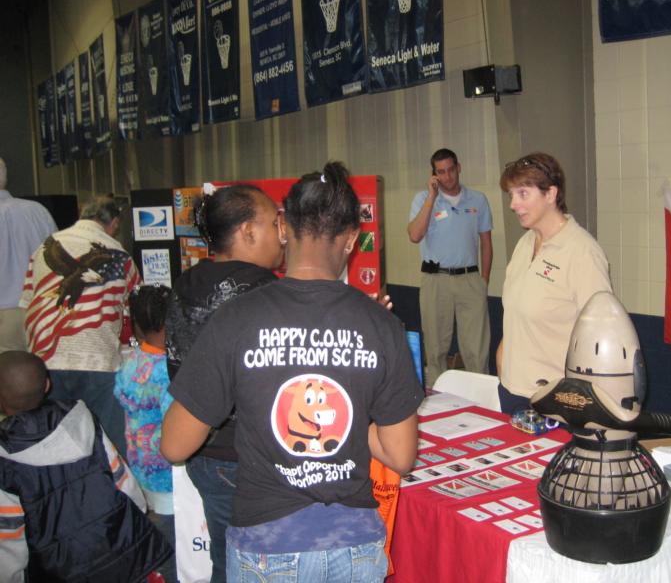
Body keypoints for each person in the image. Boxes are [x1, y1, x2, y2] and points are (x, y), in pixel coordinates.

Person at [162, 162, 423, 583]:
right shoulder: (381, 325)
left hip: (266, 543)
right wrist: (348, 418)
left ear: (285, 227)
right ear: (353, 239)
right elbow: (400, 455)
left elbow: (175, 446)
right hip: (354, 545)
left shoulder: (235, 319)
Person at [164, 183, 284, 583]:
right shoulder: (267, 293)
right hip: (249, 459)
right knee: (263, 564)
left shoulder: (184, 284)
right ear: (248, 232)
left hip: (203, 452)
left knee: (226, 556)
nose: (281, 233)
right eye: (273, 223)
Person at [0, 351, 171, 582]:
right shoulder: (82, 420)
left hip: (57, 570)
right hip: (117, 551)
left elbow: (9, 537)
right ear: (48, 384)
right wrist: (136, 522)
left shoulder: (5, 461)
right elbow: (122, 480)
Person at [19, 195, 140, 453]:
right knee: (109, 442)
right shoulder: (121, 255)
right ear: (114, 223)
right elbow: (134, 313)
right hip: (98, 360)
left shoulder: (44, 247)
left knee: (53, 439)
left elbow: (28, 302)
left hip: (47, 359)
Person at [496, 152, 611, 415]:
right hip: (513, 392)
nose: (513, 204)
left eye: (523, 194)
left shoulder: (582, 252)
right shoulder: (524, 244)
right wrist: (503, 360)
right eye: (511, 194)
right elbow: (515, 312)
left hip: (557, 400)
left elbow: (602, 338)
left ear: (550, 194)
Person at [408, 148, 493, 386]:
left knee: (476, 350)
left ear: (459, 167)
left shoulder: (477, 200)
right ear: (434, 175)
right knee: (435, 350)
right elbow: (414, 235)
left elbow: (486, 242)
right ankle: (437, 402)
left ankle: (481, 403)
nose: (448, 177)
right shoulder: (423, 199)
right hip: (435, 280)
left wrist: (483, 280)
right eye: (441, 172)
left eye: (451, 170)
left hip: (470, 279)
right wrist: (431, 198)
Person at [114, 284, 176, 583]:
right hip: (166, 468)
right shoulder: (166, 371)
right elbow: (173, 418)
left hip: (138, 462)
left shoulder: (130, 363)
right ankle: (166, 571)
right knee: (171, 529)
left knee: (155, 517)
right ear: (169, 324)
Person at [0, 157, 57, 353]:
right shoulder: (38, 211)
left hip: (3, 320)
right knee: (39, 377)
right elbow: (59, 260)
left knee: (10, 380)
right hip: (42, 314)